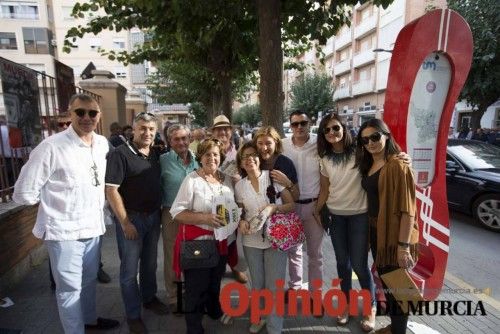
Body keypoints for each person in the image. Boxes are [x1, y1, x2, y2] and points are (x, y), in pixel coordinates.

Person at [13, 93, 119, 333]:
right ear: (69, 114)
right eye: (80, 112)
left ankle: (89, 320)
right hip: (63, 233)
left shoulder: (102, 143)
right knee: (69, 290)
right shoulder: (51, 147)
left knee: (89, 281)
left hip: (93, 227)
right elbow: (23, 192)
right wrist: (56, 206)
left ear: (99, 116)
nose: (86, 117)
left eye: (92, 113)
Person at [105, 112, 168, 333]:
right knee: (129, 271)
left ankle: (149, 298)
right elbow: (111, 190)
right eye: (143, 128)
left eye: (151, 129)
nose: (147, 133)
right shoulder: (119, 154)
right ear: (133, 129)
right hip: (131, 220)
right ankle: (133, 315)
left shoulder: (156, 152)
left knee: (150, 264)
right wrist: (124, 222)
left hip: (153, 217)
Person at [313, 113, 376, 331]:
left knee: (359, 265)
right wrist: (317, 209)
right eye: (327, 130)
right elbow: (325, 189)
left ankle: (369, 308)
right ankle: (346, 305)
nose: (332, 133)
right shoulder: (324, 158)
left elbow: (383, 159)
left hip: (360, 215)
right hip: (336, 217)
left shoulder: (360, 151)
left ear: (343, 128)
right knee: (342, 264)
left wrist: (402, 158)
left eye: (335, 128)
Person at [356, 118, 419, 334]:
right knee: (389, 283)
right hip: (377, 233)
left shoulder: (398, 165)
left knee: (398, 286)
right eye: (365, 140)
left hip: (394, 237)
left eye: (375, 137)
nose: (371, 143)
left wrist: (403, 246)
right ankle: (395, 327)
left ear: (386, 136)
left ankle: (398, 331)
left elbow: (408, 210)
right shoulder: (369, 163)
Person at [170, 138, 236, 334]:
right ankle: (194, 327)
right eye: (207, 154)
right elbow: (177, 212)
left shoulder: (227, 179)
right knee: (196, 289)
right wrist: (205, 217)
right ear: (200, 157)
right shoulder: (192, 180)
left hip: (221, 242)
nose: (212, 158)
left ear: (221, 157)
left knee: (215, 282)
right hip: (199, 242)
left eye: (215, 154)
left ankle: (214, 310)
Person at [235, 141, 295, 334]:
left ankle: (274, 328)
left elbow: (291, 205)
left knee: (274, 286)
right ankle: (260, 317)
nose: (250, 159)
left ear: (259, 158)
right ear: (241, 163)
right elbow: (239, 212)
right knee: (258, 284)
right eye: (245, 157)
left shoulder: (273, 178)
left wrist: (273, 207)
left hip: (275, 239)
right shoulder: (239, 186)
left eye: (253, 155)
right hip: (251, 241)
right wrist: (241, 221)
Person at [282, 111, 324, 306]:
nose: (299, 127)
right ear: (290, 126)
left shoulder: (320, 144)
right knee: (293, 251)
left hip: (314, 207)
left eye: (303, 123)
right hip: (290, 206)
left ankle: (316, 296)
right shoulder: (282, 145)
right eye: (295, 124)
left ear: (310, 123)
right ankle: (295, 287)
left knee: (315, 254)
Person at [253, 126, 300, 296]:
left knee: (287, 257)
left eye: (268, 143)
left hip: (281, 219)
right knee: (260, 263)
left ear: (276, 143)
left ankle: (293, 288)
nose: (264, 147)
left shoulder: (284, 163)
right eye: (260, 143)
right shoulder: (254, 160)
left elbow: (296, 196)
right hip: (257, 219)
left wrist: (287, 182)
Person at [160, 124, 199, 310]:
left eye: (184, 138)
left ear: (190, 139)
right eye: (176, 139)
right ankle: (174, 297)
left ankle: (192, 292)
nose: (181, 142)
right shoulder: (162, 161)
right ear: (170, 141)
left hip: (195, 214)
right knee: (172, 255)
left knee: (193, 253)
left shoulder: (197, 160)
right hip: (171, 214)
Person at [211, 114, 248, 284]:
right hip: (213, 200)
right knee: (217, 236)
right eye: (218, 129)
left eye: (225, 129)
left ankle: (234, 267)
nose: (222, 132)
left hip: (234, 200)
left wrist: (241, 177)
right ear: (213, 132)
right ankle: (216, 268)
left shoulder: (240, 150)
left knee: (232, 238)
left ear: (231, 131)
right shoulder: (209, 149)